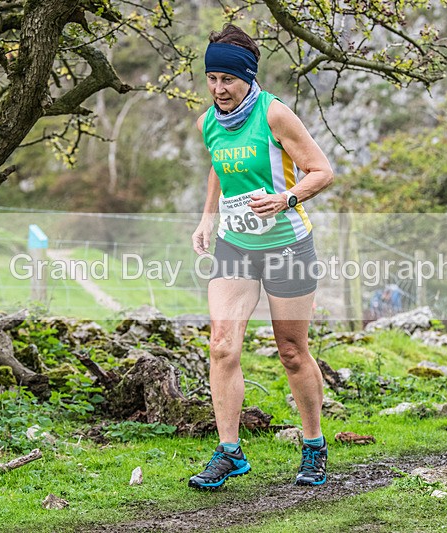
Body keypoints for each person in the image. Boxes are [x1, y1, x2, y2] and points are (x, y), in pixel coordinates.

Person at [189, 24, 334, 489]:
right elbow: (218, 164)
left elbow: (322, 171)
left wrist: (287, 198)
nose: (218, 89)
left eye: (227, 80)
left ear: (247, 77)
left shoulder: (275, 115)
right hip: (236, 246)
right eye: (211, 78)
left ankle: (313, 445)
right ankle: (229, 452)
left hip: (288, 245)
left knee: (291, 352)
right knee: (222, 344)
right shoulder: (207, 121)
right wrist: (207, 217)